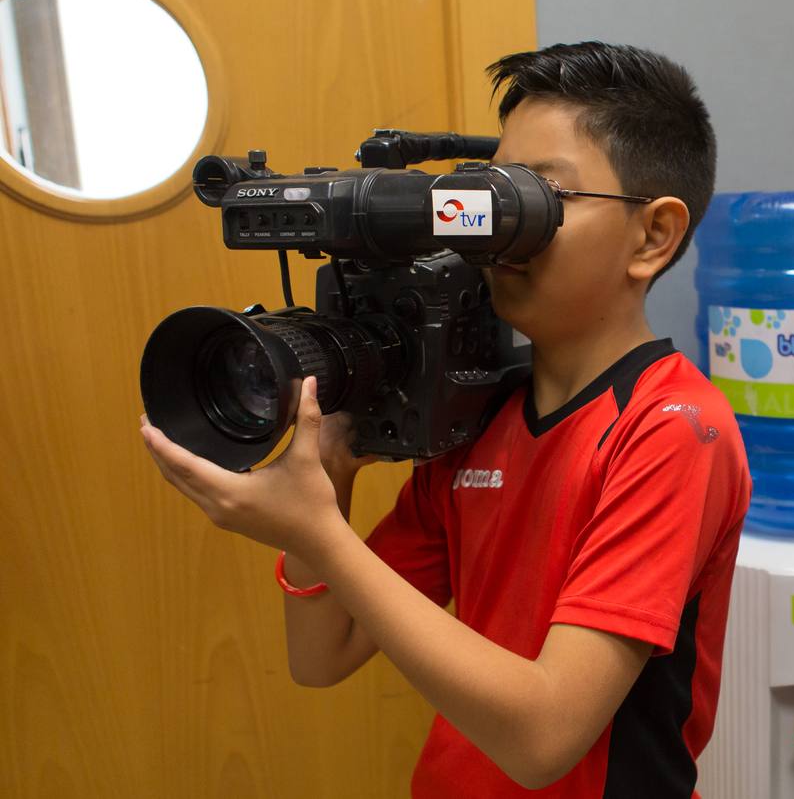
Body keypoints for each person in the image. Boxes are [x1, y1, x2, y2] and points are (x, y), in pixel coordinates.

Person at [141, 41, 752, 797]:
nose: (491, 231)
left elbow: (543, 741)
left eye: (537, 200)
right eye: (491, 193)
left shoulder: (674, 428)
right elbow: (321, 654)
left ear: (652, 236)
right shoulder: (477, 418)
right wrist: (326, 477)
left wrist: (315, 532)